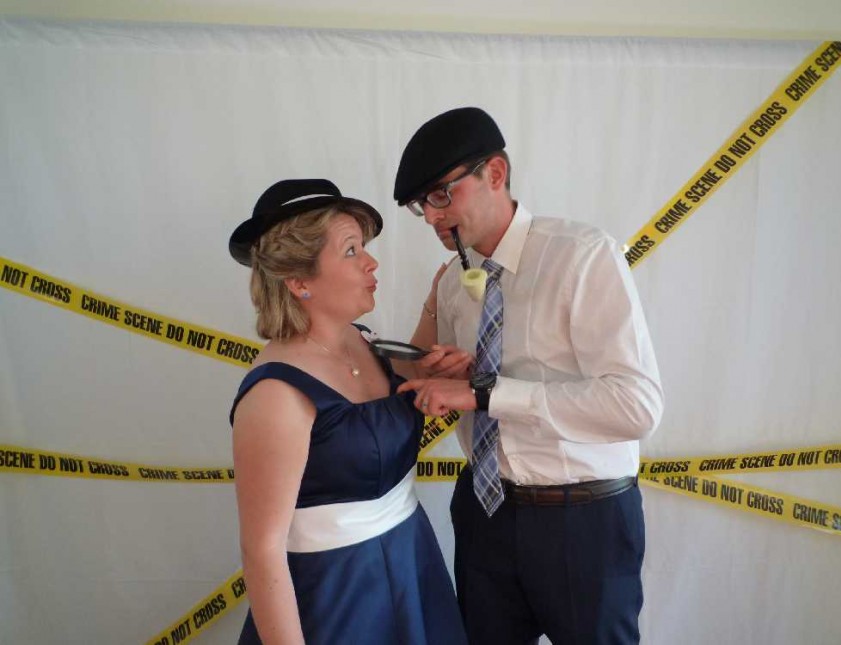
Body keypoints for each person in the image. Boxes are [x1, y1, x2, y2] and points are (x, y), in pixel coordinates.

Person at [393, 107, 665, 645]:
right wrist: (448, 371)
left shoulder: (582, 256)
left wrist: (487, 394)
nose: (430, 216)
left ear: (495, 173)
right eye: (421, 204)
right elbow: (432, 377)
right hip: (483, 513)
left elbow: (636, 406)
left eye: (441, 195)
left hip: (583, 517)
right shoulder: (453, 281)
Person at [227, 178, 467, 645]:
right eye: (351, 250)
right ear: (299, 282)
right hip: (339, 597)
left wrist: (436, 304)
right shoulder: (275, 395)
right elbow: (262, 551)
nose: (371, 262)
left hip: (413, 564)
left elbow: (408, 377)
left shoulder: (361, 339)